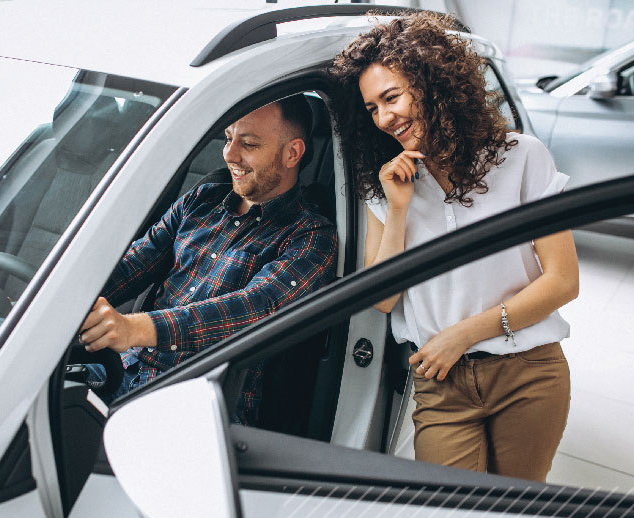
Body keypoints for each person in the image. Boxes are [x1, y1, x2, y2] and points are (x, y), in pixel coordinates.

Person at [330, 12, 579, 482]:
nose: (385, 118)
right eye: (371, 109)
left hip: (528, 372)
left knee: (517, 512)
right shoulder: (385, 185)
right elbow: (381, 298)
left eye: (392, 97)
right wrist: (398, 208)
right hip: (442, 387)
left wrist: (461, 334)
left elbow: (563, 280)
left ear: (432, 84)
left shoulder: (521, 157)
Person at [78, 95, 338, 425]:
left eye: (249, 143)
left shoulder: (311, 236)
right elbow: (133, 264)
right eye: (229, 138)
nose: (229, 153)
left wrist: (135, 328)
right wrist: (63, 299)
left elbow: (253, 310)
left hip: (198, 407)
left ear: (292, 153)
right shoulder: (204, 199)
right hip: (123, 372)